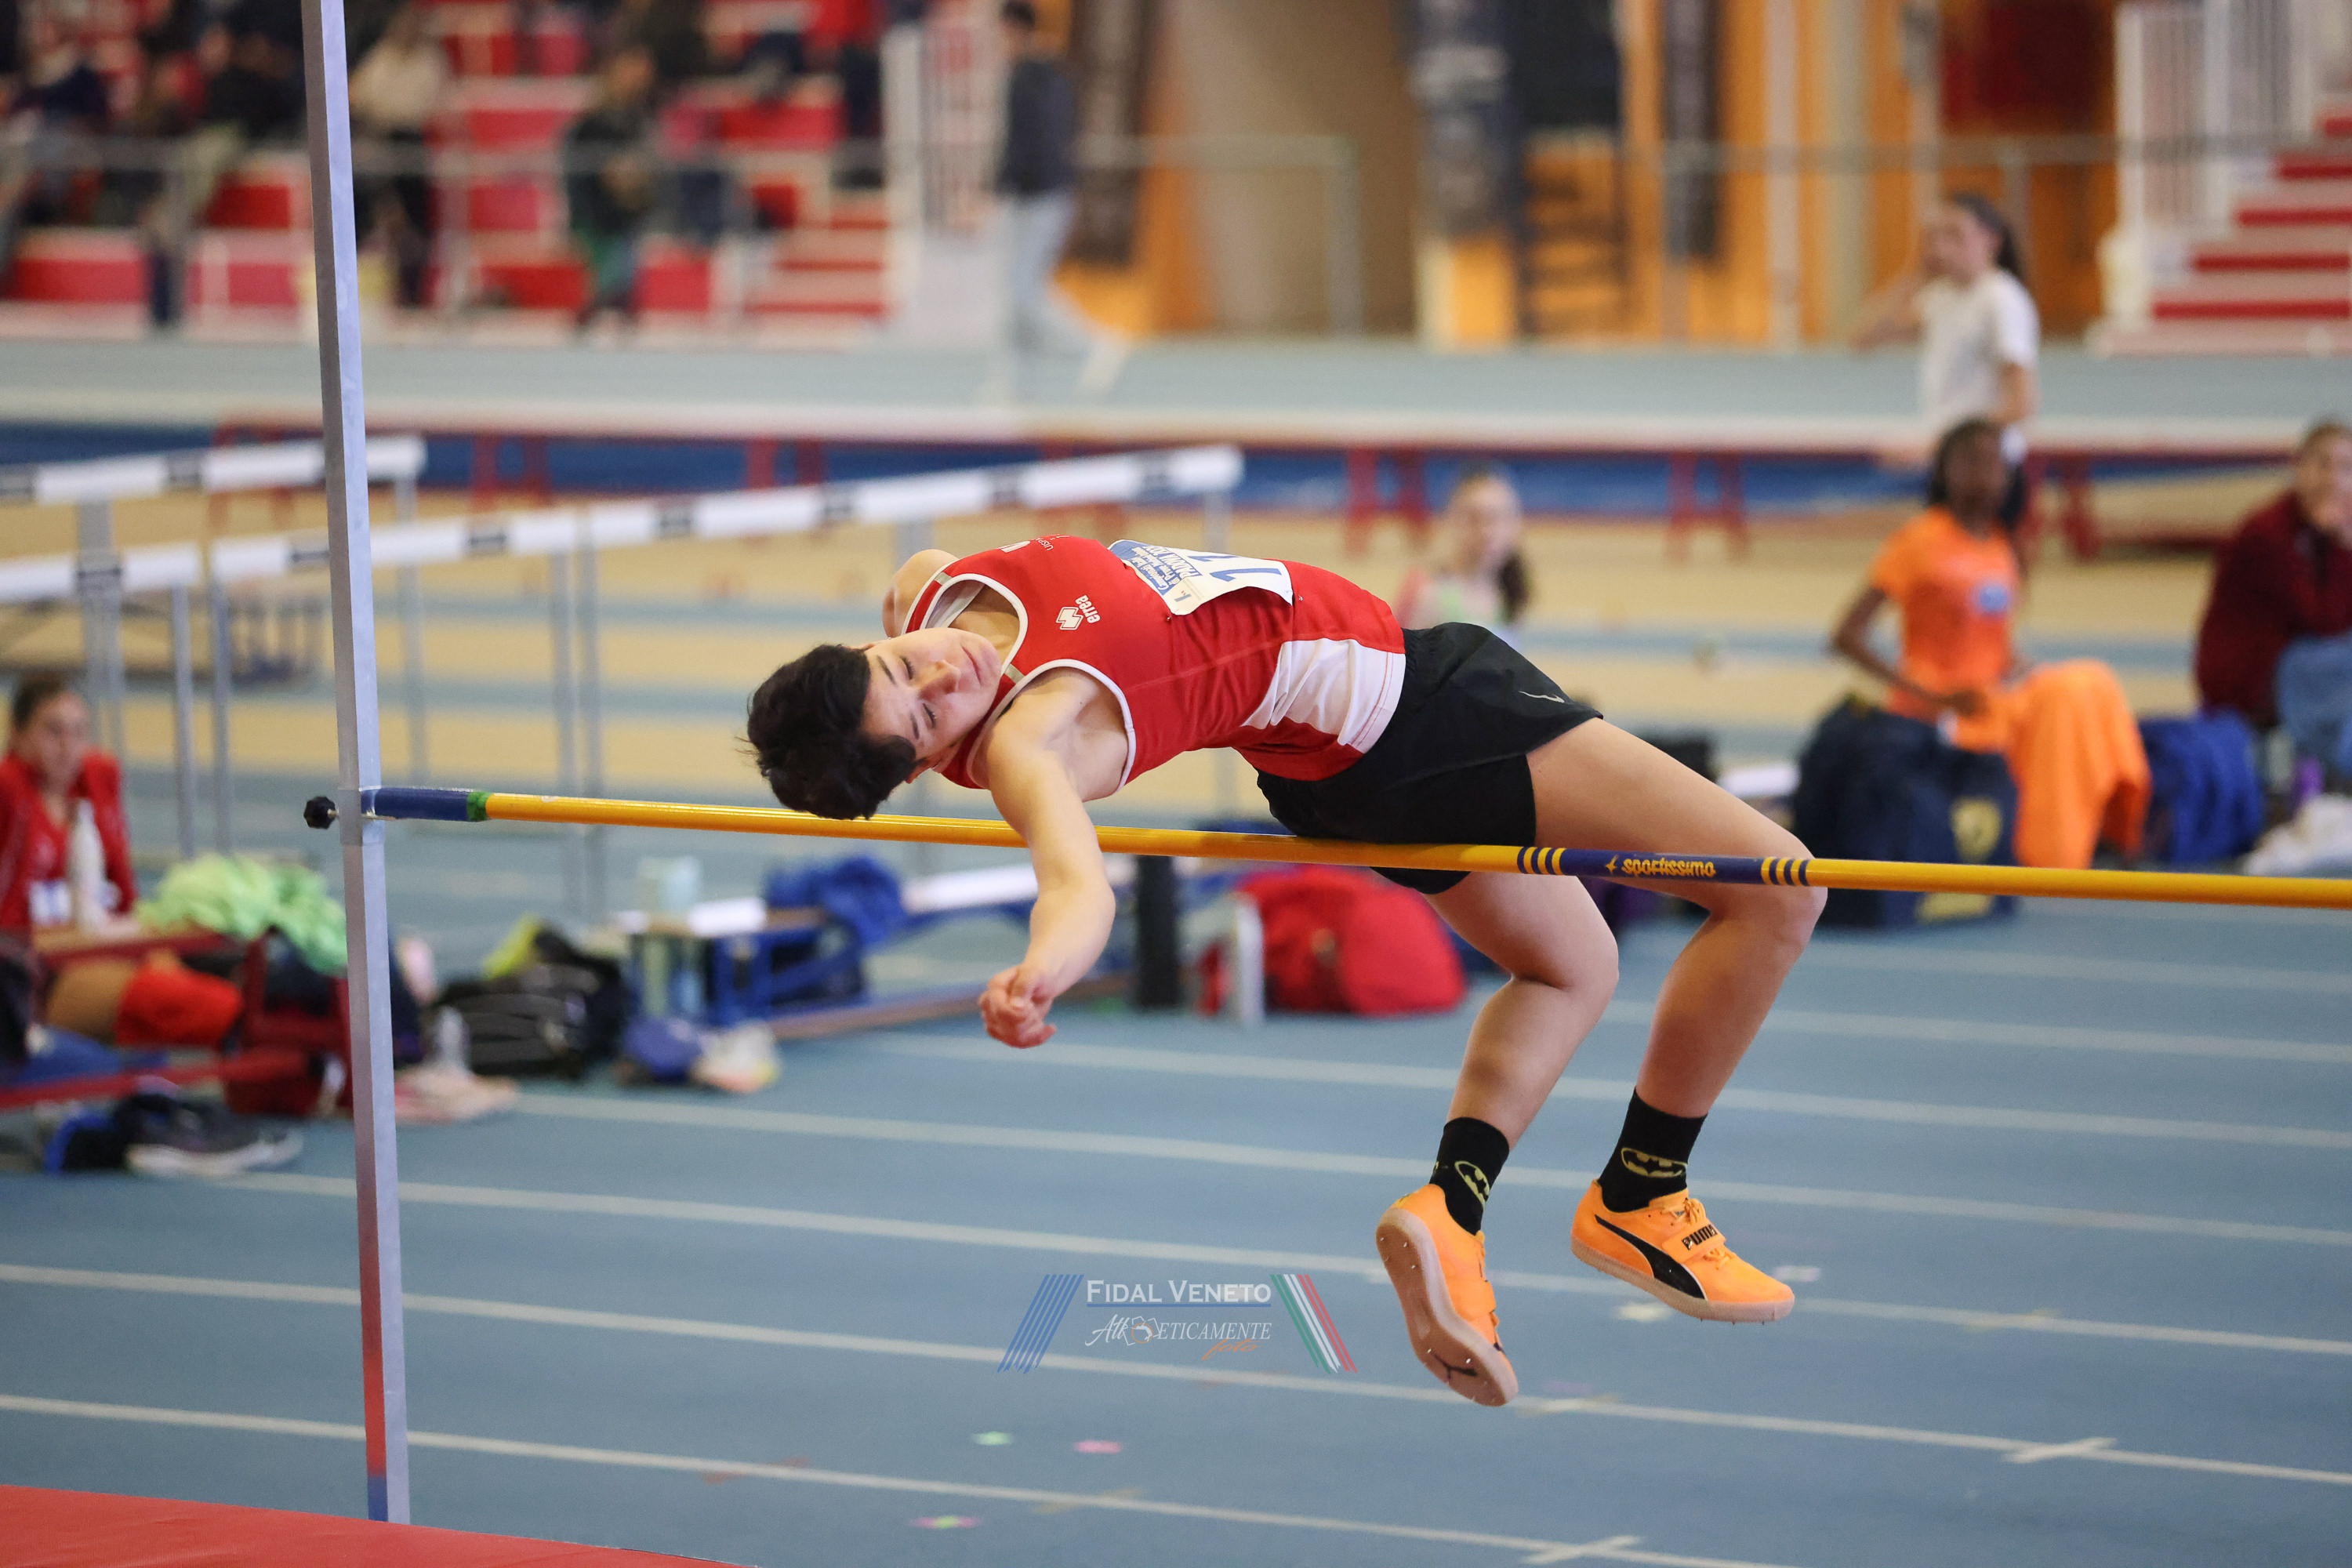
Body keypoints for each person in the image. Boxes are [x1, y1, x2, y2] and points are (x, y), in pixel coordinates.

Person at [743, 533, 1824, 1407]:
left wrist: (899, 655)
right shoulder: (1032, 739)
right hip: (1422, 714)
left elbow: (919, 587)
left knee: (1571, 965)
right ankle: (1645, 1191)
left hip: (1336, 764)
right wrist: (1040, 971)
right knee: (1781, 890)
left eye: (903, 665)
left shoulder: (935, 595)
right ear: (932, 764)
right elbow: (1077, 883)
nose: (947, 670)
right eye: (929, 715)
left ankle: (1452, 1210)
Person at [1830, 419, 2148, 870]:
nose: (1983, 474)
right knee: (2073, 692)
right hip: (1945, 709)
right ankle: (2054, 850)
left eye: (1994, 464)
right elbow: (1846, 636)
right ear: (1945, 471)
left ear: (2010, 476)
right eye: (1970, 462)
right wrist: (1929, 695)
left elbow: (1994, 641)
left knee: (2092, 683)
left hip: (1995, 698)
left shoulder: (2004, 546)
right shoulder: (1919, 541)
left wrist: (2021, 668)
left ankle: (2111, 828)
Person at [1851, 193, 2042, 530]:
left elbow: (2020, 404)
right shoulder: (1939, 298)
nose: (1941, 247)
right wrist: (1913, 275)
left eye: (1954, 234)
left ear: (1990, 240)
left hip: (1986, 471)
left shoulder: (2001, 300)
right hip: (1951, 465)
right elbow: (1862, 337)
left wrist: (1933, 445)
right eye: (1934, 236)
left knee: (1977, 564)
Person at [2194, 419, 2352, 775]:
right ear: (2299, 467)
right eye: (2323, 464)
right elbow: (2324, 621)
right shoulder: (2268, 535)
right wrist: (2345, 547)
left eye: (2346, 468)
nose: (2334, 479)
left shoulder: (2323, 531)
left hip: (2301, 662)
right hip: (2248, 678)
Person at [992, 2, 1118, 389]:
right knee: (1017, 290)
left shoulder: (1026, 78)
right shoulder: (1055, 74)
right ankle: (1018, 376)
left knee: (1023, 289)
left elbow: (1024, 144)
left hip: (1036, 196)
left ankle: (1091, 344)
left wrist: (999, 187)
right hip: (1050, 191)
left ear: (1013, 30)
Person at [0, 673, 136, 934]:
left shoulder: (97, 782)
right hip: (20, 948)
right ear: (18, 733)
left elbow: (123, 887)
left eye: (78, 732)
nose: (68, 745)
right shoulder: (7, 789)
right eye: (53, 731)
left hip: (93, 940)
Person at [348, 2, 446, 309]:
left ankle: (413, 290)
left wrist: (389, 113)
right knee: (356, 186)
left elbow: (423, 108)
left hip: (413, 147)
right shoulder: (381, 58)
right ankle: (360, 260)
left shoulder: (429, 62)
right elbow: (358, 97)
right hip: (380, 143)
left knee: (417, 224)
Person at [564, 45, 659, 332]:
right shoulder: (590, 125)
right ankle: (607, 299)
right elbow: (580, 175)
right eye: (632, 72)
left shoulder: (641, 118)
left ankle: (614, 299)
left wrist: (636, 184)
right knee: (611, 250)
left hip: (629, 213)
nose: (638, 79)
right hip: (595, 212)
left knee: (626, 248)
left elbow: (649, 172)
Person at [1393, 465, 1532, 645]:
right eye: (1474, 518)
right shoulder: (1428, 591)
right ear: (1452, 519)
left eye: (1497, 518)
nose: (1487, 531)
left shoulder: (1509, 594)